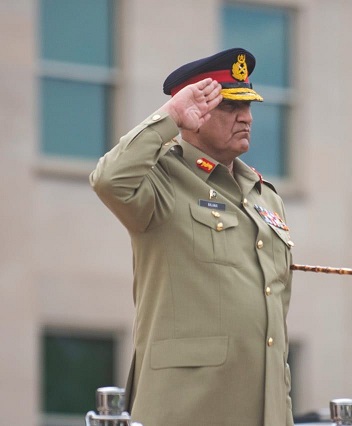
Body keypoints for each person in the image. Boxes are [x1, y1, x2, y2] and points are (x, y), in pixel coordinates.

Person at [90, 47, 294, 426]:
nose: (247, 118)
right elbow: (108, 180)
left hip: (262, 409)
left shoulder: (264, 195)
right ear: (194, 115)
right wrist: (169, 116)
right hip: (187, 407)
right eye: (230, 107)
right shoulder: (162, 178)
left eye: (248, 106)